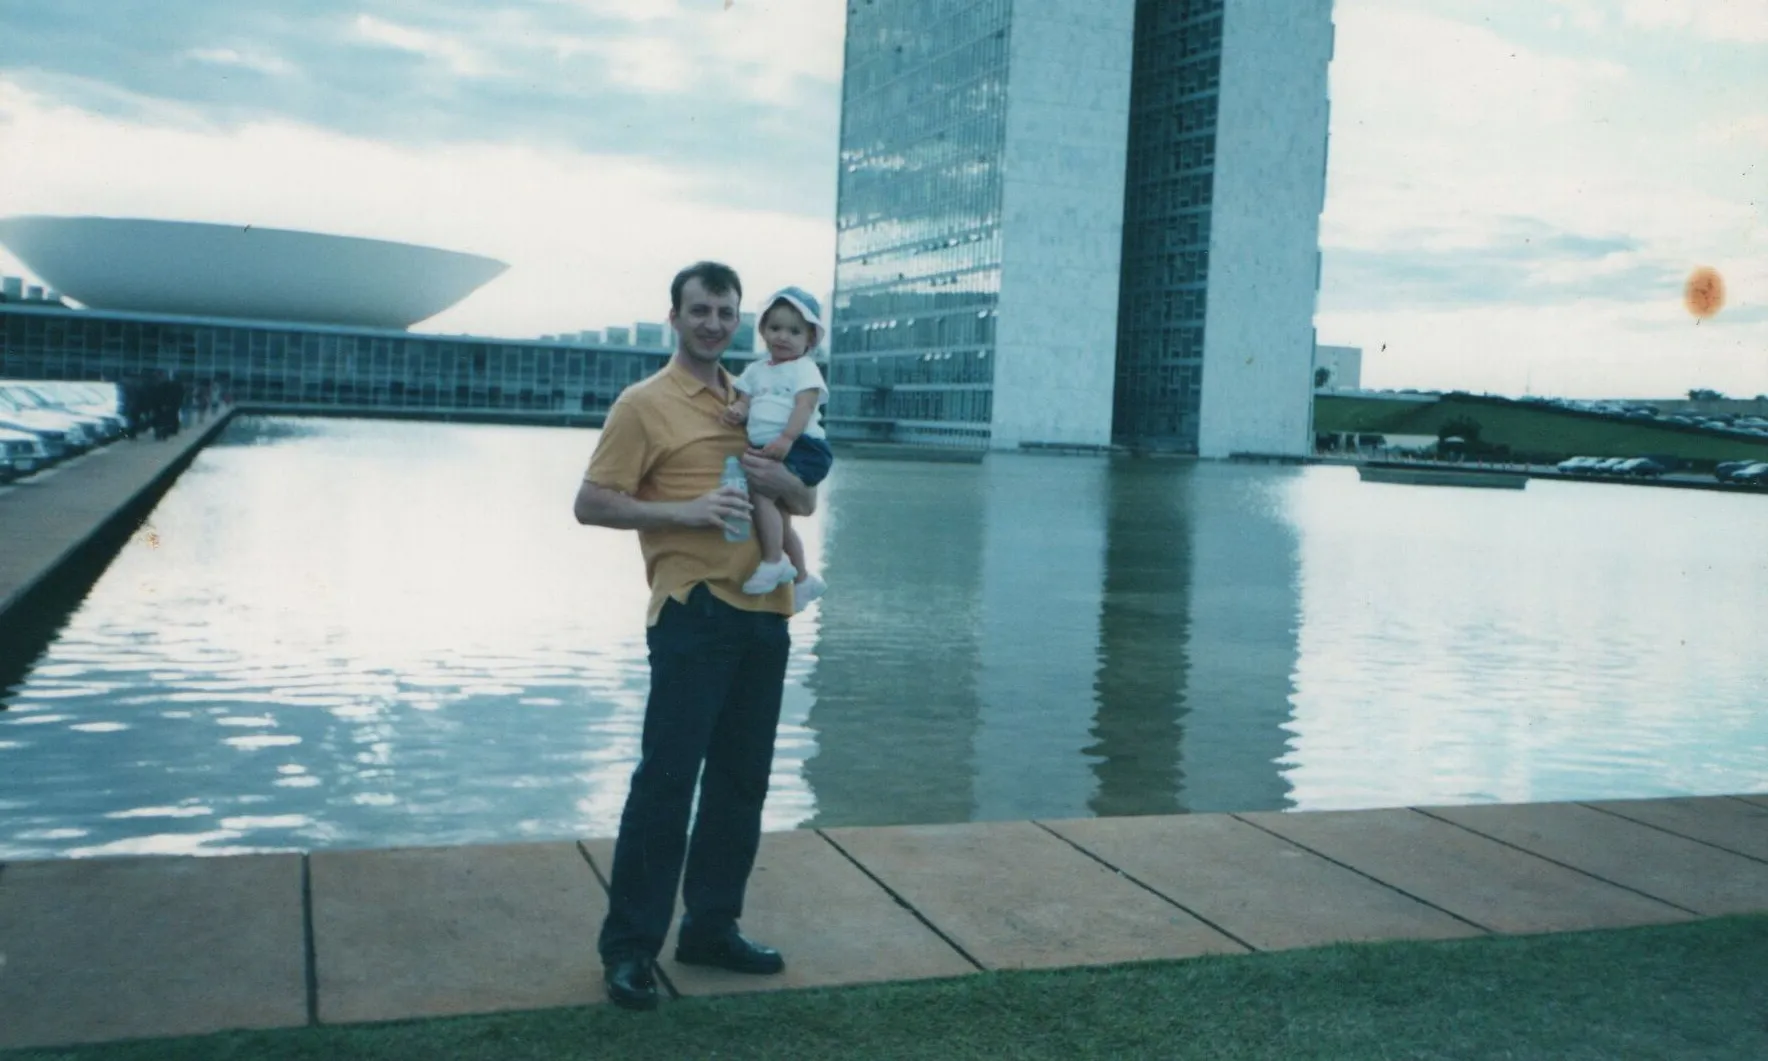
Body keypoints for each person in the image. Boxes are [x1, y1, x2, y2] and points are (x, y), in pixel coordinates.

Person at [572, 261, 820, 1012]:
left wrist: (780, 484)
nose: (715, 323)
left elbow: (802, 498)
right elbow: (590, 502)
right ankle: (629, 950)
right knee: (667, 782)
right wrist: (685, 513)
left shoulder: (756, 397)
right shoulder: (643, 404)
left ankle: (711, 926)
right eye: (701, 309)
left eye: (726, 312)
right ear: (674, 317)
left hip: (765, 610)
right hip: (693, 611)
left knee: (742, 781)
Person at [722, 287, 833, 608]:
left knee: (762, 495)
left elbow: (804, 405)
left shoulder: (804, 369)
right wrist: (738, 411)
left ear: (810, 340)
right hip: (772, 446)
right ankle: (802, 579)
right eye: (775, 328)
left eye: (794, 331)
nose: (783, 337)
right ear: (763, 331)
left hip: (802, 445)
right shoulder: (756, 370)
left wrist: (786, 438)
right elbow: (745, 399)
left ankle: (774, 561)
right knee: (780, 519)